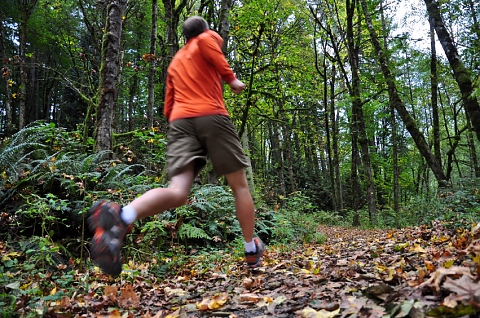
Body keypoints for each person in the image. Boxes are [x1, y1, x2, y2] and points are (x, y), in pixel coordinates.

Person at [88, 16, 265, 277]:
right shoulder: (207, 38)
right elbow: (211, 49)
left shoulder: (176, 62)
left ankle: (121, 216)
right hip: (211, 116)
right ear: (203, 31)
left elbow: (168, 106)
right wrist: (231, 79)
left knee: (178, 191)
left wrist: (181, 125)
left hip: (180, 122)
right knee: (239, 185)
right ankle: (251, 249)